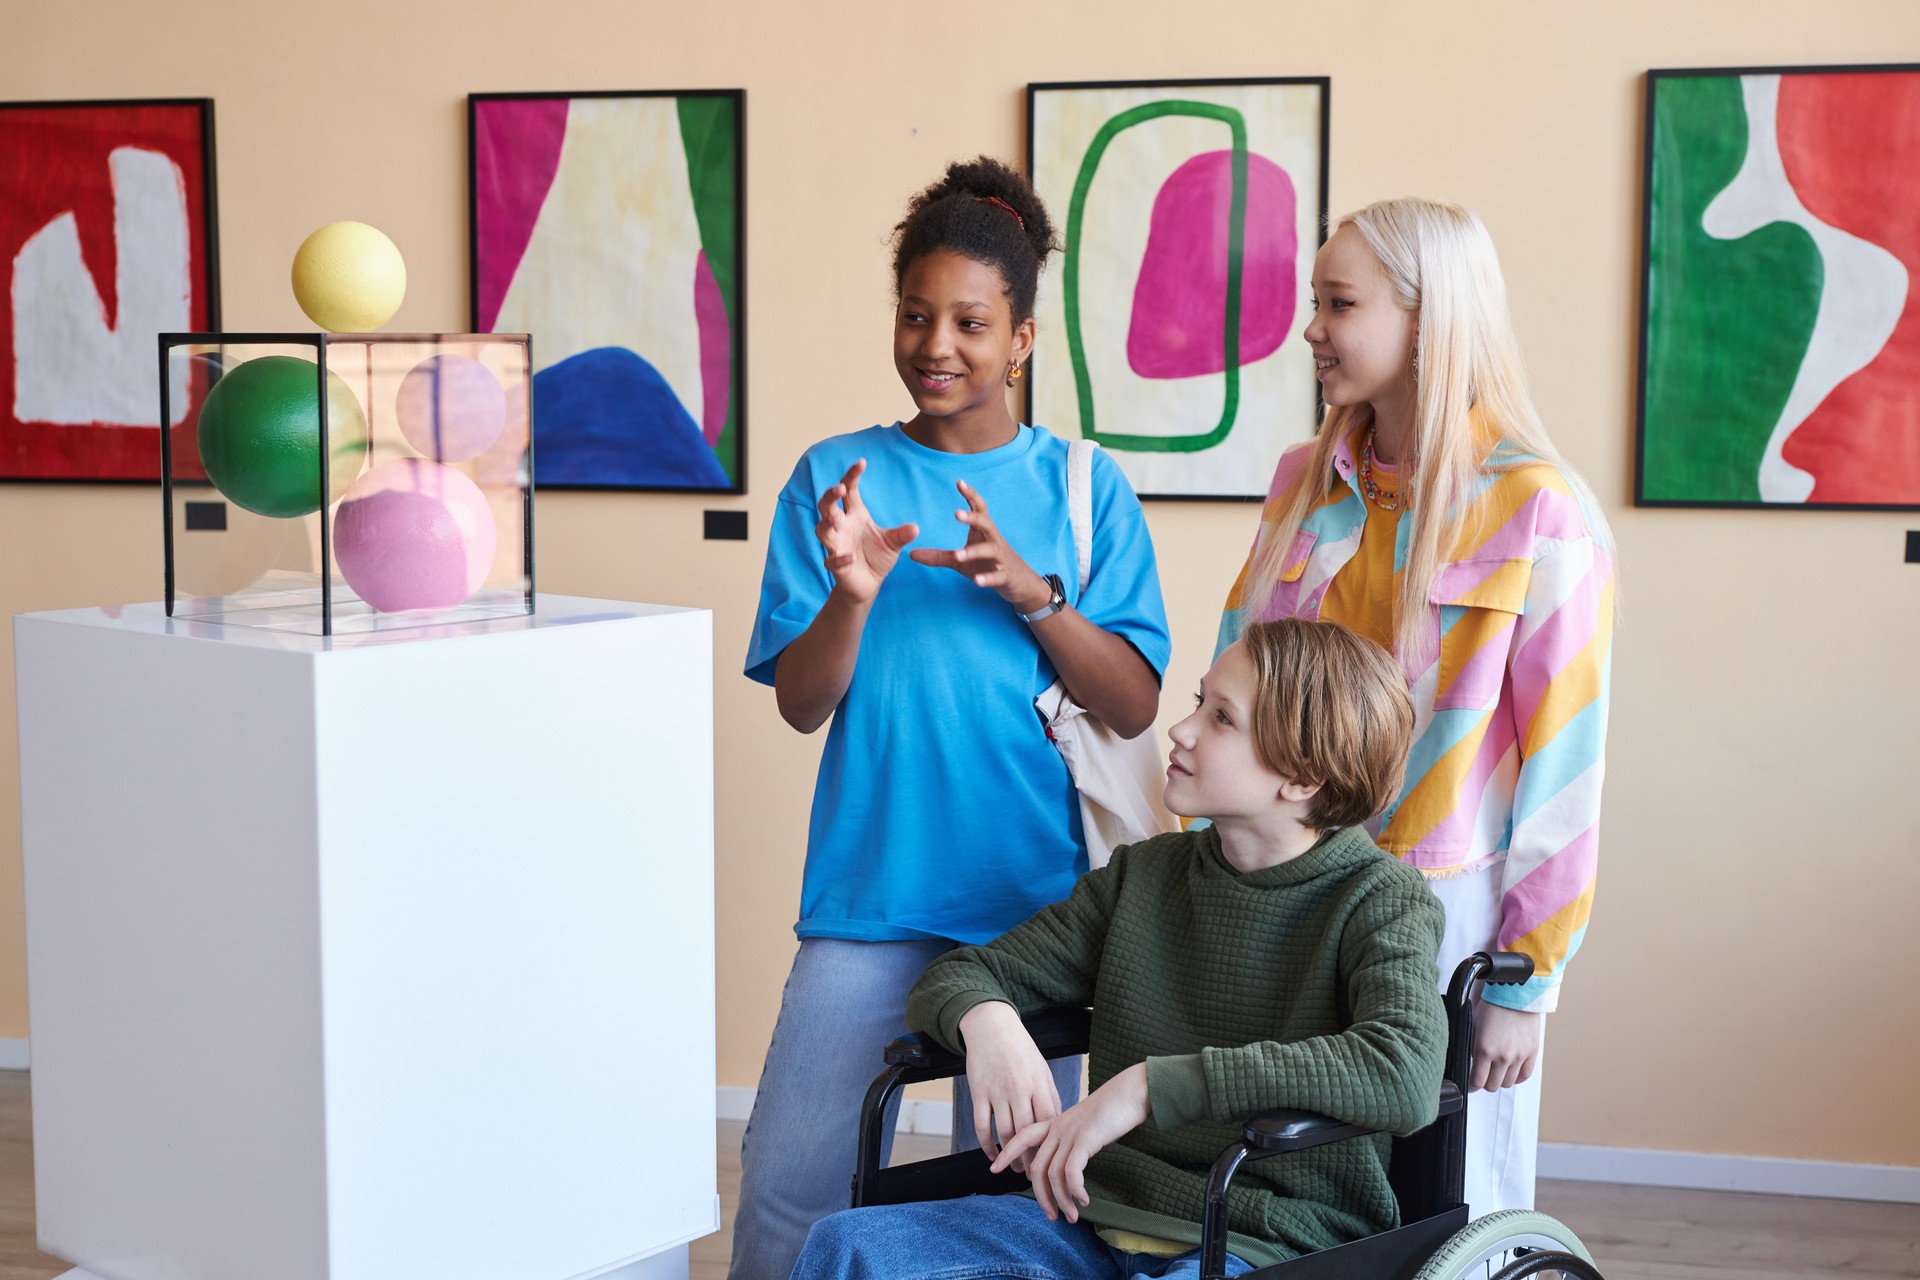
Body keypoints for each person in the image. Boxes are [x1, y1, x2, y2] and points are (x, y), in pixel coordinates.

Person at [734, 157, 1171, 1280]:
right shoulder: (834, 476)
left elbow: (1131, 703)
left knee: (1032, 1202)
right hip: (871, 897)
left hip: (1042, 916)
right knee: (793, 1186)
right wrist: (852, 593)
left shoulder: (1085, 486)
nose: (938, 344)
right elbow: (799, 702)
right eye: (916, 315)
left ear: (1022, 337)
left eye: (971, 322)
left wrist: (1035, 593)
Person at [790, 618, 1446, 1277]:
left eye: (1221, 718)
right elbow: (963, 973)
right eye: (1198, 702)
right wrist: (989, 1023)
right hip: (1091, 1212)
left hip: (1263, 1235)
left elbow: (1404, 1071)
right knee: (845, 1248)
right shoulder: (1145, 875)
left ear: (1303, 776)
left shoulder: (1380, 897)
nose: (1181, 730)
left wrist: (1149, 1089)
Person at [1217, 196, 1617, 1216]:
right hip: (1282, 892)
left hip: (1440, 914)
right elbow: (1238, 676)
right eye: (1315, 300)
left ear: (1428, 317)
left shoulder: (1540, 508)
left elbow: (1566, 764)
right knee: (1290, 1189)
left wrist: (1522, 983)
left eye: (1338, 302)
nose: (1311, 327)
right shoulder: (1301, 482)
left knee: (1449, 1201)